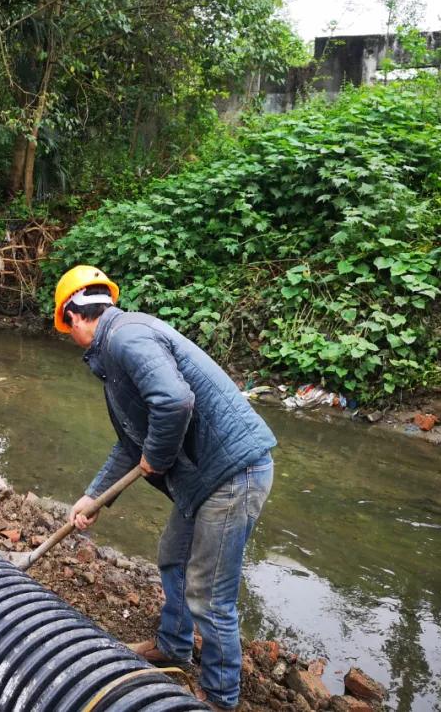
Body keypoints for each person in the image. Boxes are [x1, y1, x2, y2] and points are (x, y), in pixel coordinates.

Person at [55, 265, 276, 711]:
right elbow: (131, 443)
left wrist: (156, 455)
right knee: (172, 557)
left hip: (232, 474)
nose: (68, 333)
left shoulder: (126, 339)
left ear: (76, 316)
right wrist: (95, 496)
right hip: (205, 478)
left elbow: (175, 402)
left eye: (65, 325)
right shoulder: (119, 344)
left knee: (209, 594)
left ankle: (219, 697)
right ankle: (173, 646)